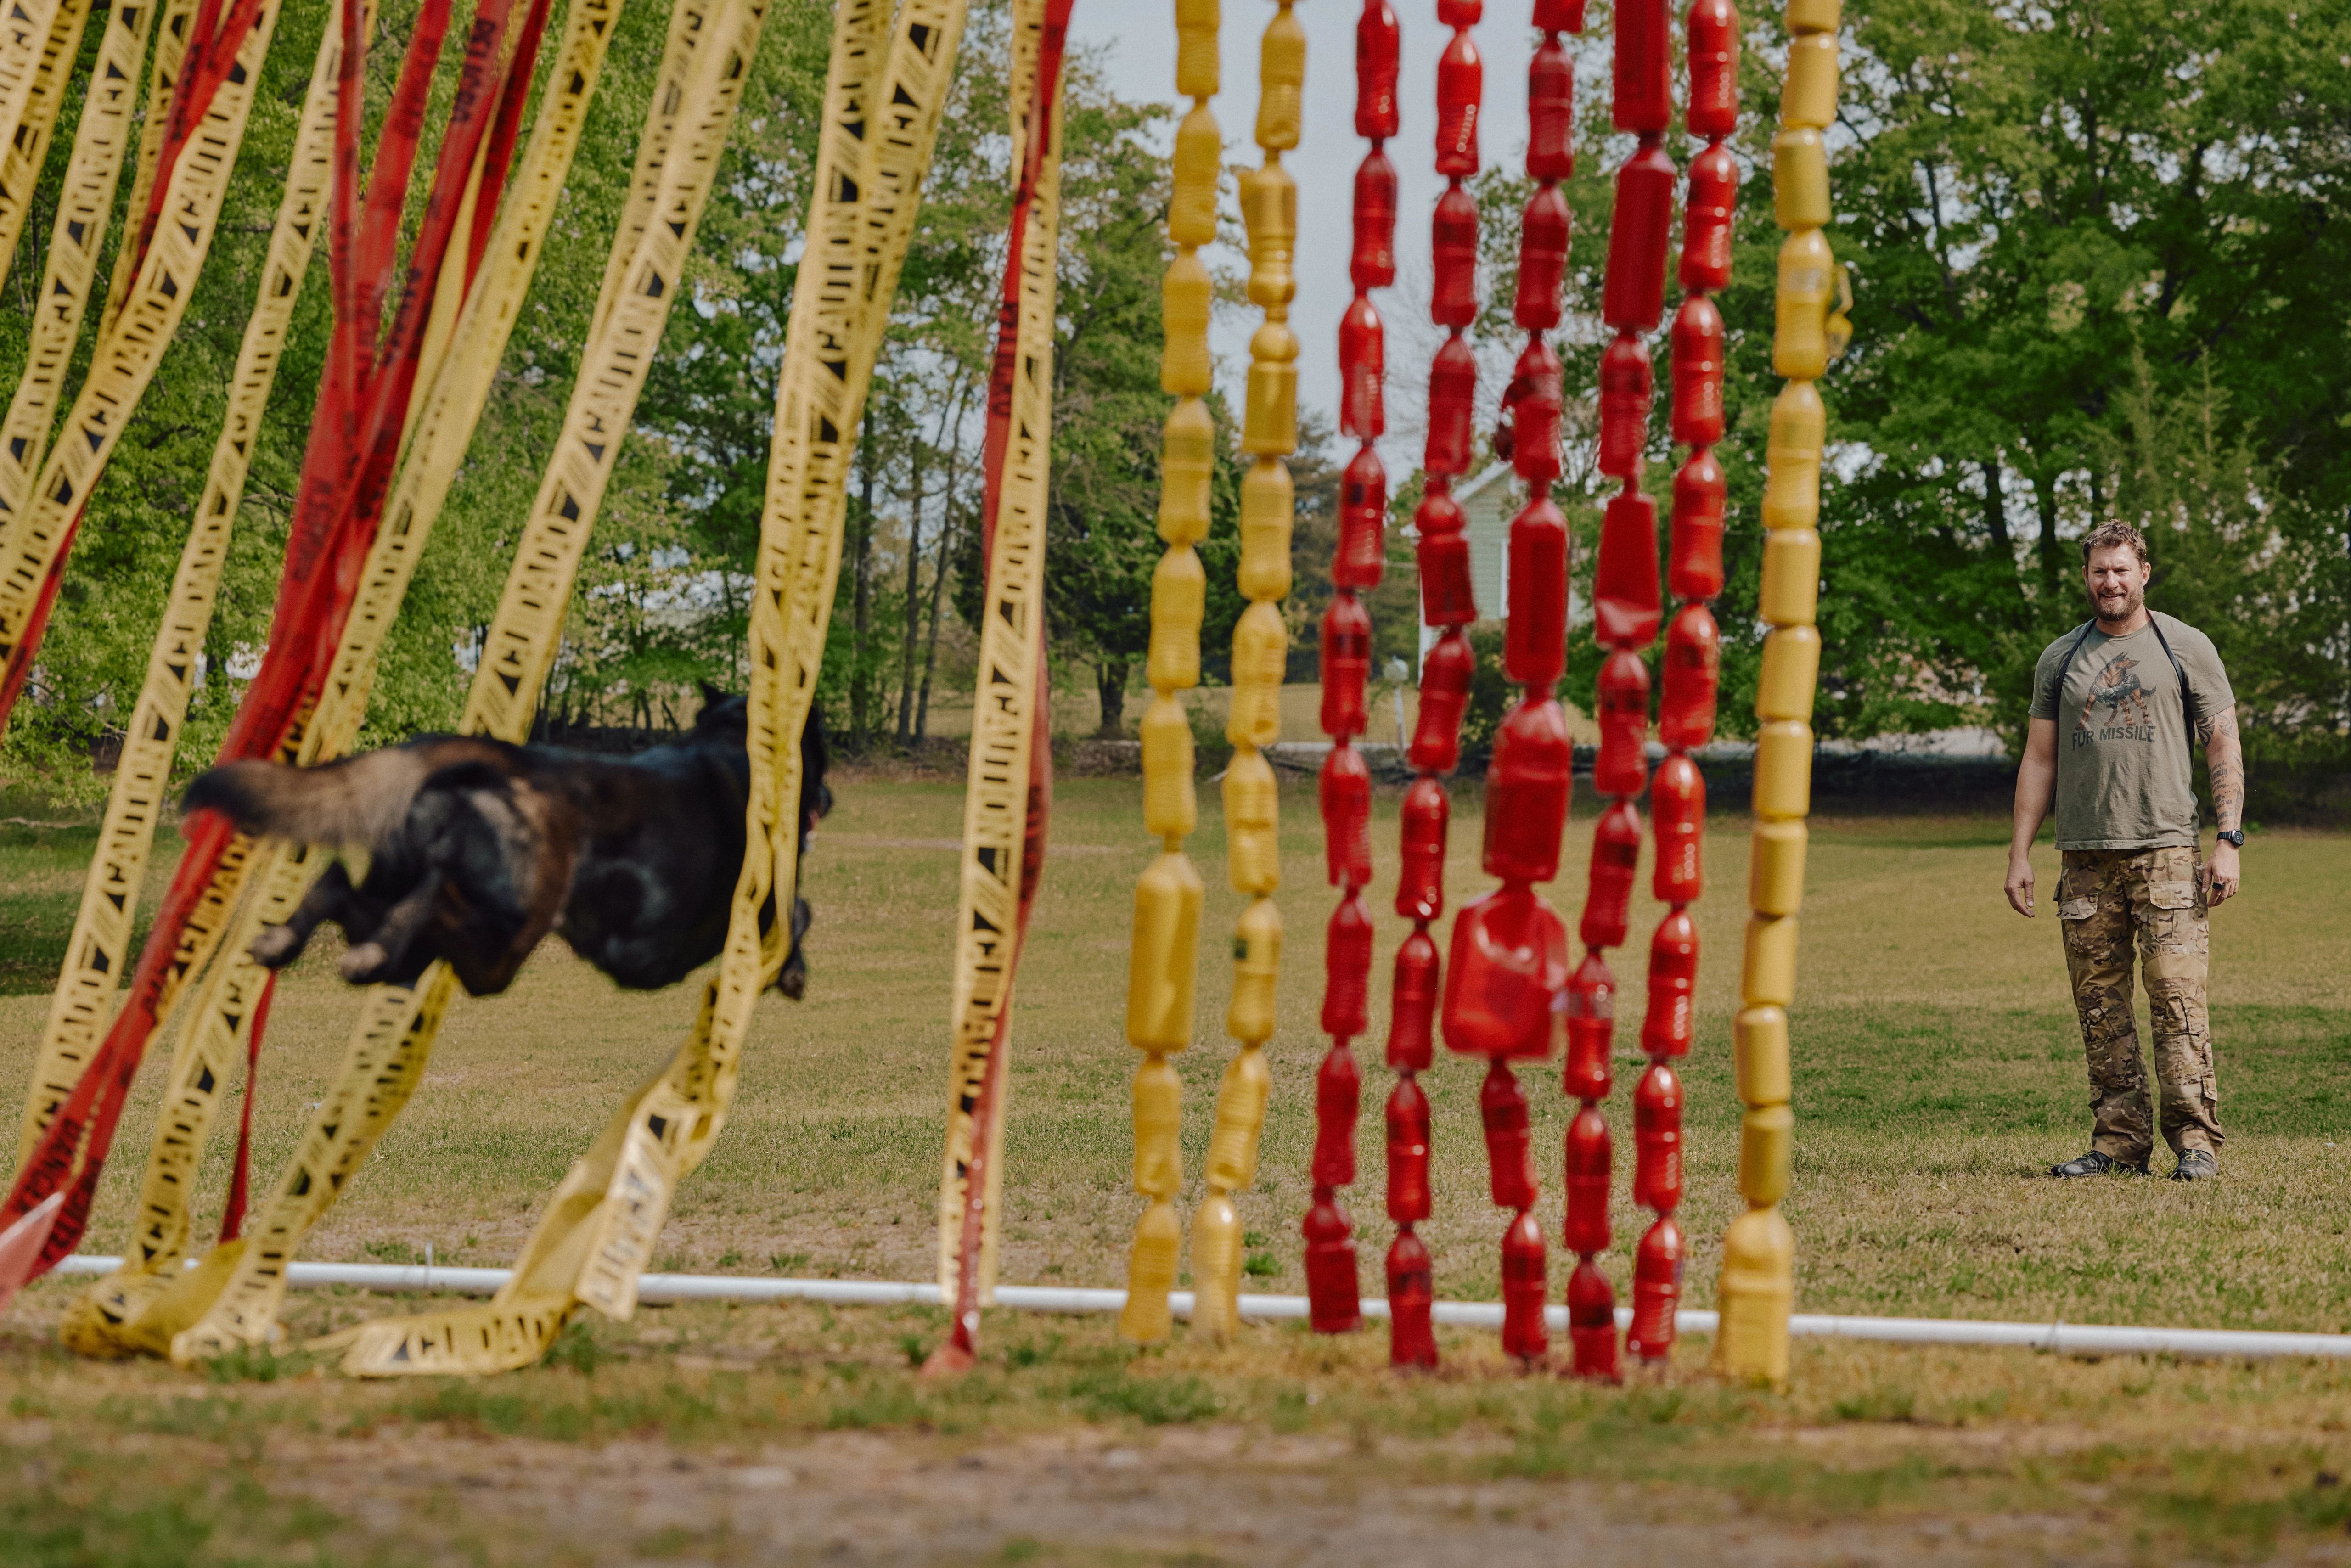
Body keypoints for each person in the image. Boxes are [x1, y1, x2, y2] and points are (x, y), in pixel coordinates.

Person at [2004, 521, 2244, 1181]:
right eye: (2098, 572)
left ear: (2144, 573)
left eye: (2121, 570)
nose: (2110, 582)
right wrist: (2020, 854)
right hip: (2084, 856)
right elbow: (2039, 757)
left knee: (2177, 999)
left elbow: (2222, 743)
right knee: (2101, 1008)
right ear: (2087, 579)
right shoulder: (2060, 658)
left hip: (2167, 850)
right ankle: (2117, 1144)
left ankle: (2196, 1143)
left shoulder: (2185, 647)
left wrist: (2227, 840)